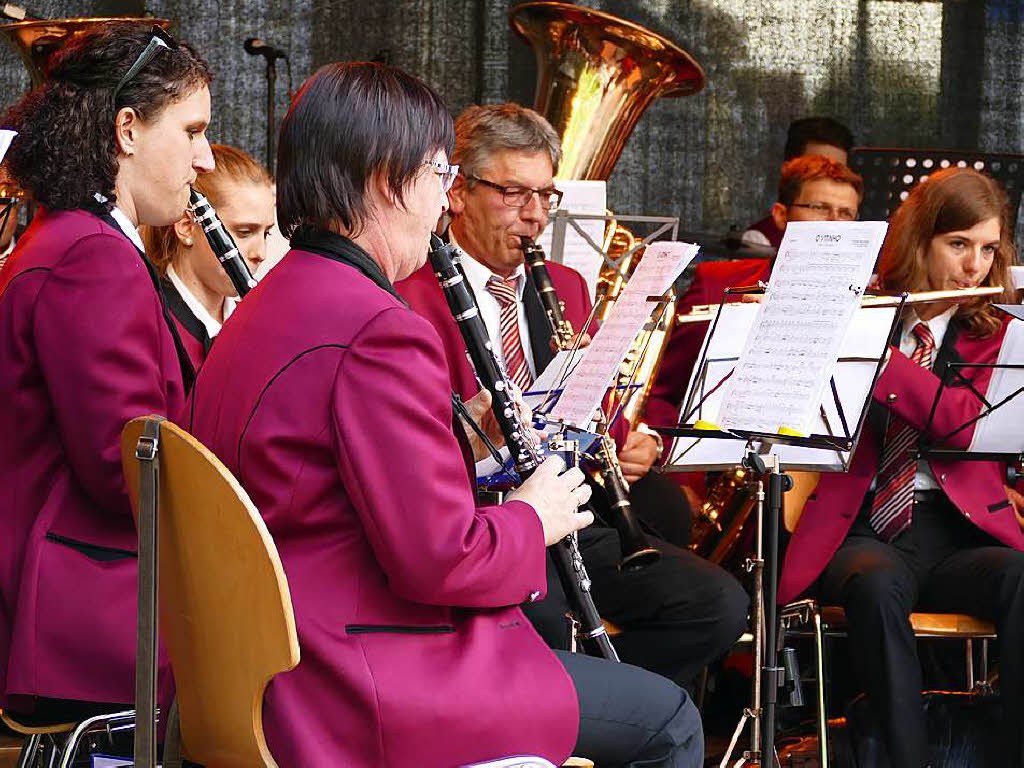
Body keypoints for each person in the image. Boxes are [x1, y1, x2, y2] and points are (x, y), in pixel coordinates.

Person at [188, 63, 703, 767]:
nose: (442, 204)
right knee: (669, 720)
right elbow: (441, 560)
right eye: (440, 175)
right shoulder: (378, 326)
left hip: (268, 669)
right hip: (365, 679)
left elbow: (325, 483)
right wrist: (535, 513)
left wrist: (467, 442)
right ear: (384, 178)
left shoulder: (264, 308)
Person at [398, 102, 748, 686]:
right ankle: (584, 706)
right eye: (514, 194)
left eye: (545, 196)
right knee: (545, 623)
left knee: (716, 605)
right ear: (456, 192)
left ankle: (606, 709)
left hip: (571, 506)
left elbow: (589, 408)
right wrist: (474, 437)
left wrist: (629, 442)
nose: (535, 217)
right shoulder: (408, 289)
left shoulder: (565, 284)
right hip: (487, 521)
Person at [0, 24, 213, 717]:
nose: (205, 158)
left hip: (74, 604)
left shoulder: (71, 238)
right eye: (191, 131)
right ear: (127, 129)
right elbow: (129, 471)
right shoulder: (90, 254)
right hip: (89, 619)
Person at [779, 167, 1024, 768]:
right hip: (862, 527)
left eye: (988, 249)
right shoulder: (861, 309)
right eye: (959, 244)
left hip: (954, 529)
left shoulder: (995, 333)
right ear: (921, 242)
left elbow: (965, 424)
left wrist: (880, 360)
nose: (974, 267)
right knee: (877, 583)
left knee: (1023, 579)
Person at [645, 156, 863, 460]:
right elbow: (664, 390)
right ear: (781, 215)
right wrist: (668, 456)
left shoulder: (866, 304)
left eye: (846, 214)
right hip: (713, 463)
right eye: (820, 208)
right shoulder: (717, 283)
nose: (834, 224)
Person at [142, 143, 275, 372]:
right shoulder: (150, 326)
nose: (260, 254)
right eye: (244, 232)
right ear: (186, 226)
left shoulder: (257, 324)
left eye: (266, 233)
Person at [743, 116, 855, 249]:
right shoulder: (759, 239)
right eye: (817, 168)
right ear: (787, 171)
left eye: (838, 171)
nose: (829, 177)